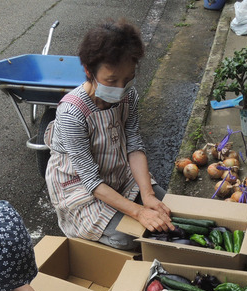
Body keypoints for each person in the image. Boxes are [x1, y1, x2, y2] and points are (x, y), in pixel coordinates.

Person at [44, 18, 175, 251]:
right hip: (82, 188)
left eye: (127, 79)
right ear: (88, 71)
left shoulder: (129, 96)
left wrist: (147, 196)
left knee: (169, 209)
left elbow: (134, 146)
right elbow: (92, 181)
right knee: (130, 238)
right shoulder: (72, 113)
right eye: (111, 80)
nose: (120, 88)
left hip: (118, 174)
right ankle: (80, 229)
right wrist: (138, 211)